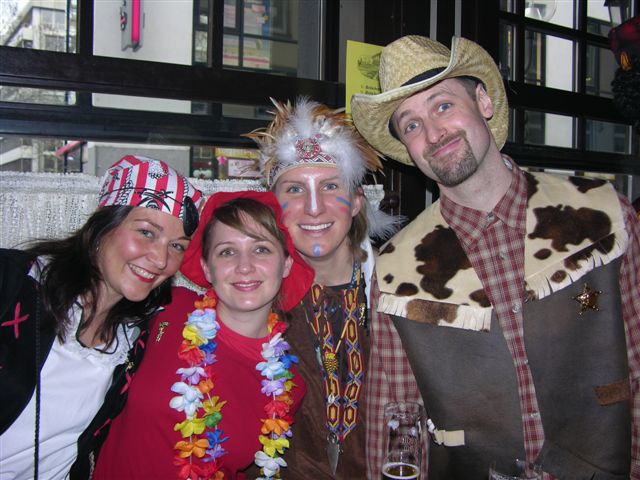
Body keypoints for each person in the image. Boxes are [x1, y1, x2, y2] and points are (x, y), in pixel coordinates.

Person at [351, 35, 640, 479]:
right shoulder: (395, 271)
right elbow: (395, 422)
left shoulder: (602, 215)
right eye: (411, 125)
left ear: (483, 102)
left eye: (443, 105)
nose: (433, 134)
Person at [0, 154, 203, 480]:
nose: (160, 259)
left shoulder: (136, 337)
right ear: (102, 224)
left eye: (177, 246)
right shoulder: (12, 284)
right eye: (146, 232)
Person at [93, 190, 315, 479]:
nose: (244, 266)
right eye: (227, 252)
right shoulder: (167, 309)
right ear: (206, 268)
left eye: (261, 249)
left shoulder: (287, 387)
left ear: (286, 264)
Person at [245, 97, 401, 478]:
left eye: (330, 186)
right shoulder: (252, 298)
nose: (314, 208)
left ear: (356, 202)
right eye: (294, 190)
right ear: (274, 206)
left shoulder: (401, 287)